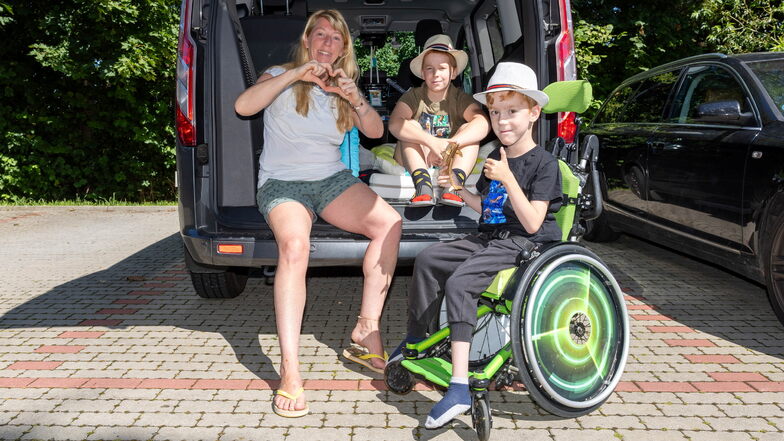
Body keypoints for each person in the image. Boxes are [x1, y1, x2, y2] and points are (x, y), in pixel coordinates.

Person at [234, 9, 402, 418]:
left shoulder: (345, 87)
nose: (327, 43)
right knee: (295, 246)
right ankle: (290, 371)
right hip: (282, 183)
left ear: (344, 48)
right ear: (307, 41)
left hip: (330, 180)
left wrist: (354, 97)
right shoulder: (278, 73)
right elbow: (242, 106)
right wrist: (297, 75)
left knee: (391, 224)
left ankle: (366, 327)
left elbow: (378, 133)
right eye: (320, 35)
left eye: (336, 38)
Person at [389, 62, 563, 429]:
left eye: (511, 112)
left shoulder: (544, 164)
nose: (501, 121)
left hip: (526, 242)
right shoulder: (495, 159)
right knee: (429, 259)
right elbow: (488, 208)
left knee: (461, 282)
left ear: (533, 113)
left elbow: (532, 221)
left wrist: (508, 178)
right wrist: (459, 190)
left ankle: (458, 385)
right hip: (490, 235)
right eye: (496, 112)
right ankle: (416, 340)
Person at [388, 34, 489, 207]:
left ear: (453, 72)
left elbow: (483, 123)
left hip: (448, 156)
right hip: (416, 155)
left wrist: (449, 145)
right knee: (409, 125)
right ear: (422, 73)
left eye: (442, 68)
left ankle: (453, 186)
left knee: (470, 130)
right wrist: (432, 143)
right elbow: (395, 123)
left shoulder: (459, 98)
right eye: (429, 69)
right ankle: (423, 187)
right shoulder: (413, 96)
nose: (435, 74)